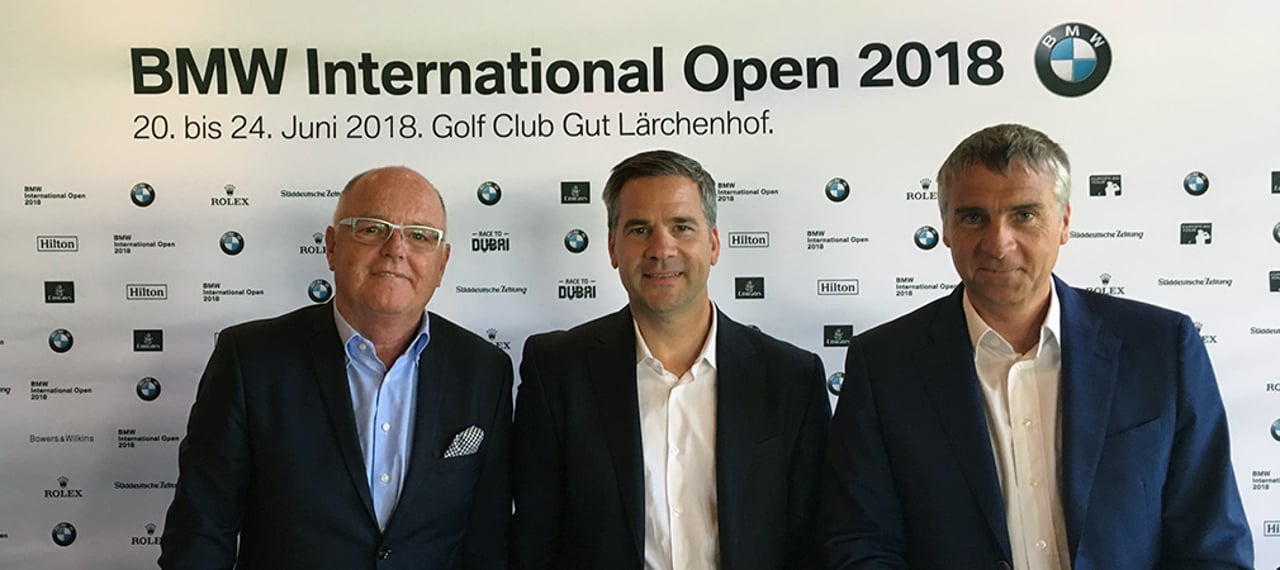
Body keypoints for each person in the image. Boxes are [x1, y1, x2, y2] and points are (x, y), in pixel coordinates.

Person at [818, 123, 1253, 569]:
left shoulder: (1161, 348)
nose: (998, 244)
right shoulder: (884, 366)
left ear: (1064, 222)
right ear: (945, 229)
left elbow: (1213, 542)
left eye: (1024, 215)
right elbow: (861, 544)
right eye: (973, 217)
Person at [160, 166, 512, 569]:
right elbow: (200, 534)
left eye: (420, 236)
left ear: (442, 263)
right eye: (372, 229)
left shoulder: (484, 370)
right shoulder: (250, 360)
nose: (396, 249)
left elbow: (488, 542)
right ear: (331, 247)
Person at [512, 150, 831, 569]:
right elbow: (534, 540)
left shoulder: (791, 379)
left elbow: (813, 543)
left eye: (681, 227)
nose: (661, 248)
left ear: (713, 244)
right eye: (639, 229)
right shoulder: (557, 372)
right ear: (612, 248)